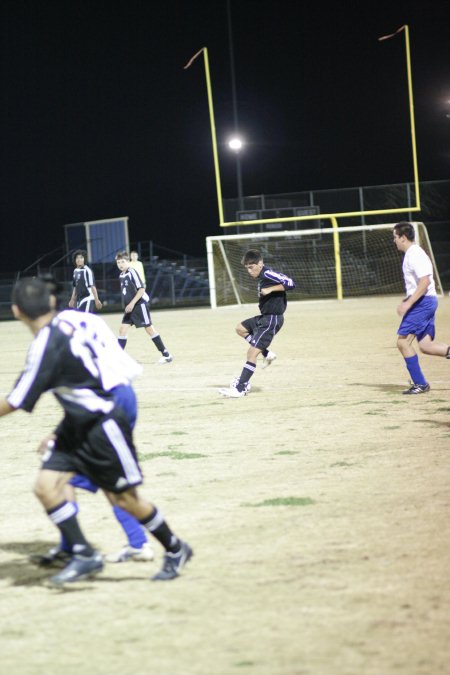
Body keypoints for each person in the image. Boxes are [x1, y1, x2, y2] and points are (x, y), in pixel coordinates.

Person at [1, 277, 192, 586]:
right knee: (47, 485)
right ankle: (80, 551)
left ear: (16, 311)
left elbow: (17, 400)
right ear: (51, 301)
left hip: (104, 417)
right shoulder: (78, 319)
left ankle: (170, 547)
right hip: (95, 407)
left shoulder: (46, 344)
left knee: (122, 497)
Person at [33, 281, 154, 566]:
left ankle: (77, 548)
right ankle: (132, 544)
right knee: (82, 475)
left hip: (105, 401)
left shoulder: (53, 331)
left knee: (61, 474)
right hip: (123, 394)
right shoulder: (88, 319)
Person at [219, 249, 295, 398]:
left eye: (251, 266)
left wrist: (270, 289)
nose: (249, 270)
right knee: (240, 329)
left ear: (260, 263)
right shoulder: (262, 276)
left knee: (251, 353)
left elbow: (290, 283)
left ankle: (240, 388)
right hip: (264, 317)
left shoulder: (267, 273)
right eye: (246, 267)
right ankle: (267, 353)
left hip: (272, 319)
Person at [393, 221, 450, 394]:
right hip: (424, 302)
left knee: (403, 342)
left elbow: (425, 282)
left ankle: (420, 384)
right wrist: (408, 299)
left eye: (395, 237)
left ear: (403, 237)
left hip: (422, 303)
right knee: (426, 346)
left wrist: (409, 303)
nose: (393, 241)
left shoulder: (415, 254)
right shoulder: (412, 254)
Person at [116, 251, 173, 364]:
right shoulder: (121, 275)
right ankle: (118, 358)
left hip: (139, 305)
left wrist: (132, 304)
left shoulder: (132, 272)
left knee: (149, 329)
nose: (121, 264)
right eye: (118, 262)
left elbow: (141, 289)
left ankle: (166, 355)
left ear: (128, 262)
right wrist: (128, 305)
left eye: (123, 261)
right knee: (122, 329)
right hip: (130, 307)